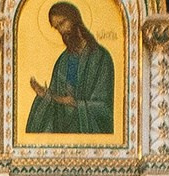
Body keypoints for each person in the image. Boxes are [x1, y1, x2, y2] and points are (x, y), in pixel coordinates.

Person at [25, 0, 114, 135]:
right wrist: (45, 95)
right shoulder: (62, 61)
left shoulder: (100, 57)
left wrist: (77, 104)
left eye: (62, 23)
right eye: (57, 28)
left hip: (88, 132)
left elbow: (105, 107)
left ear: (74, 19)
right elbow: (55, 103)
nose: (61, 31)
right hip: (64, 130)